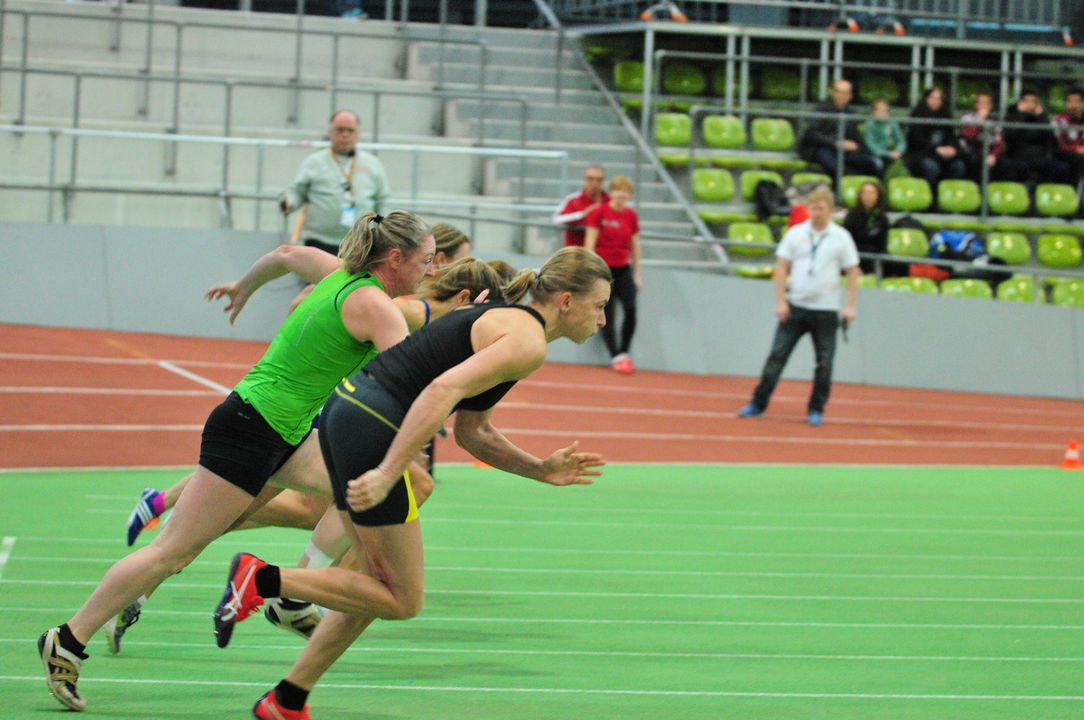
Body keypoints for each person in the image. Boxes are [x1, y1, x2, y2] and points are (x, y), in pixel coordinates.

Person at [36, 210, 440, 713]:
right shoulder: (376, 307)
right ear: (396, 259)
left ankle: (295, 594)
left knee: (363, 489)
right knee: (171, 552)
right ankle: (68, 639)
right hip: (252, 428)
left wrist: (242, 287)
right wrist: (474, 353)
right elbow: (408, 381)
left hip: (286, 431)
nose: (431, 269)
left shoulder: (336, 271)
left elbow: (285, 255)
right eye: (426, 260)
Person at [211, 247, 611, 720]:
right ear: (566, 301)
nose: (603, 320)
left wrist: (540, 470)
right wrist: (386, 472)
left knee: (370, 579)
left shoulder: (511, 325)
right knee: (402, 599)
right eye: (600, 306)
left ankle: (288, 697)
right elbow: (440, 391)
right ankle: (262, 579)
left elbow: (472, 432)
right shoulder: (526, 341)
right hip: (371, 430)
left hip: (349, 413)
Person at [110, 252, 507, 654]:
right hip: (312, 418)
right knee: (397, 487)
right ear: (463, 301)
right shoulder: (407, 311)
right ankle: (287, 592)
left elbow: (295, 266)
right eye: (484, 322)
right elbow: (307, 295)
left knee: (247, 514)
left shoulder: (417, 313)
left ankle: (159, 567)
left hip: (319, 417)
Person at [737, 185, 859, 427]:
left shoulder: (841, 237)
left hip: (825, 310)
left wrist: (850, 306)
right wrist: (781, 301)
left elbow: (853, 271)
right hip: (796, 307)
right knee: (776, 357)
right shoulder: (795, 233)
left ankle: (816, 408)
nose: (816, 213)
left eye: (821, 208)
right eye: (813, 207)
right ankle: (758, 403)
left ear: (831, 210)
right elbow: (782, 267)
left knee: (824, 363)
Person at [279, 110, 391, 256]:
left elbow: (383, 200)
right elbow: (297, 191)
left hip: (359, 243)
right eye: (340, 130)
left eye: (350, 130)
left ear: (357, 135)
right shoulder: (314, 162)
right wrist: (288, 202)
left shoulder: (373, 164)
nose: (345, 134)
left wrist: (380, 232)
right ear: (330, 132)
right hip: (318, 242)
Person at [584, 175, 641, 374]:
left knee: (631, 309)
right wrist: (591, 271)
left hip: (623, 268)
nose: (621, 195)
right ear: (612, 192)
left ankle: (624, 352)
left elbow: (635, 245)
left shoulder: (631, 216)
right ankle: (615, 355)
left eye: (625, 191)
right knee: (607, 314)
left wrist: (637, 273)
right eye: (617, 190)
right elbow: (590, 242)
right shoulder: (600, 212)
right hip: (604, 270)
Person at [796, 79, 880, 181]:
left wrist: (857, 146)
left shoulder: (850, 113)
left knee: (870, 163)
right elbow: (811, 134)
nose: (842, 96)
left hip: (844, 150)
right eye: (839, 92)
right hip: (822, 147)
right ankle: (837, 192)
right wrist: (835, 143)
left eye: (845, 93)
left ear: (850, 96)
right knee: (833, 166)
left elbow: (856, 137)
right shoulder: (821, 109)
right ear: (833, 92)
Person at [1002, 89, 1070, 187]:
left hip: (1039, 157)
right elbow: (1009, 136)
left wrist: (1042, 117)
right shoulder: (1012, 115)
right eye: (1027, 101)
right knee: (1018, 167)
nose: (1030, 104)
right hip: (1018, 156)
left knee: (1062, 167)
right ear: (1021, 102)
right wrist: (1021, 115)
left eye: (1033, 101)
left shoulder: (1041, 117)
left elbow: (1052, 139)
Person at [903, 87, 966, 193]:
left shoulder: (946, 116)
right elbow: (917, 140)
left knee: (958, 166)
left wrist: (952, 149)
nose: (936, 101)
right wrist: (936, 150)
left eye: (939, 98)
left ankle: (948, 196)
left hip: (943, 156)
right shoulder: (917, 115)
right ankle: (929, 198)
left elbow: (952, 137)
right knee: (931, 167)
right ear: (926, 99)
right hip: (921, 155)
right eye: (932, 97)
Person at [958, 91, 1011, 183]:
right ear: (976, 105)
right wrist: (980, 121)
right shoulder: (967, 118)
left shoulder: (995, 121)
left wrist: (993, 155)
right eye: (981, 103)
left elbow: (999, 142)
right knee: (974, 163)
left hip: (989, 152)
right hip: (971, 151)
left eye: (987, 103)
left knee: (1006, 165)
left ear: (991, 106)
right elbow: (969, 137)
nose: (984, 105)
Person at [842, 180, 890, 275]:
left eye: (872, 193)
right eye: (865, 192)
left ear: (878, 196)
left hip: (874, 261)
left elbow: (882, 246)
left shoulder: (882, 219)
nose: (868, 196)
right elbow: (846, 244)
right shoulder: (851, 216)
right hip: (854, 260)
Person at [553, 165, 608, 247]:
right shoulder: (572, 200)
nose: (595, 183)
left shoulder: (610, 202)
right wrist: (582, 214)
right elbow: (556, 219)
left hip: (603, 255)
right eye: (590, 179)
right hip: (575, 253)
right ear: (584, 179)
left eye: (599, 179)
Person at [862, 98, 906, 176]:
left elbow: (901, 141)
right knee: (877, 163)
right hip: (873, 155)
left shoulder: (892, 123)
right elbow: (870, 145)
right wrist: (888, 153)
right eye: (879, 110)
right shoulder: (869, 125)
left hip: (890, 154)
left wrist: (898, 151)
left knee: (901, 165)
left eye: (885, 110)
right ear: (873, 112)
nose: (882, 113)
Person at [1052, 87, 1084, 189]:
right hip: (1064, 153)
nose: (1073, 105)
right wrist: (1076, 148)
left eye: (1077, 102)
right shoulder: (1059, 120)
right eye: (1069, 101)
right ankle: (1075, 198)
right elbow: (1060, 144)